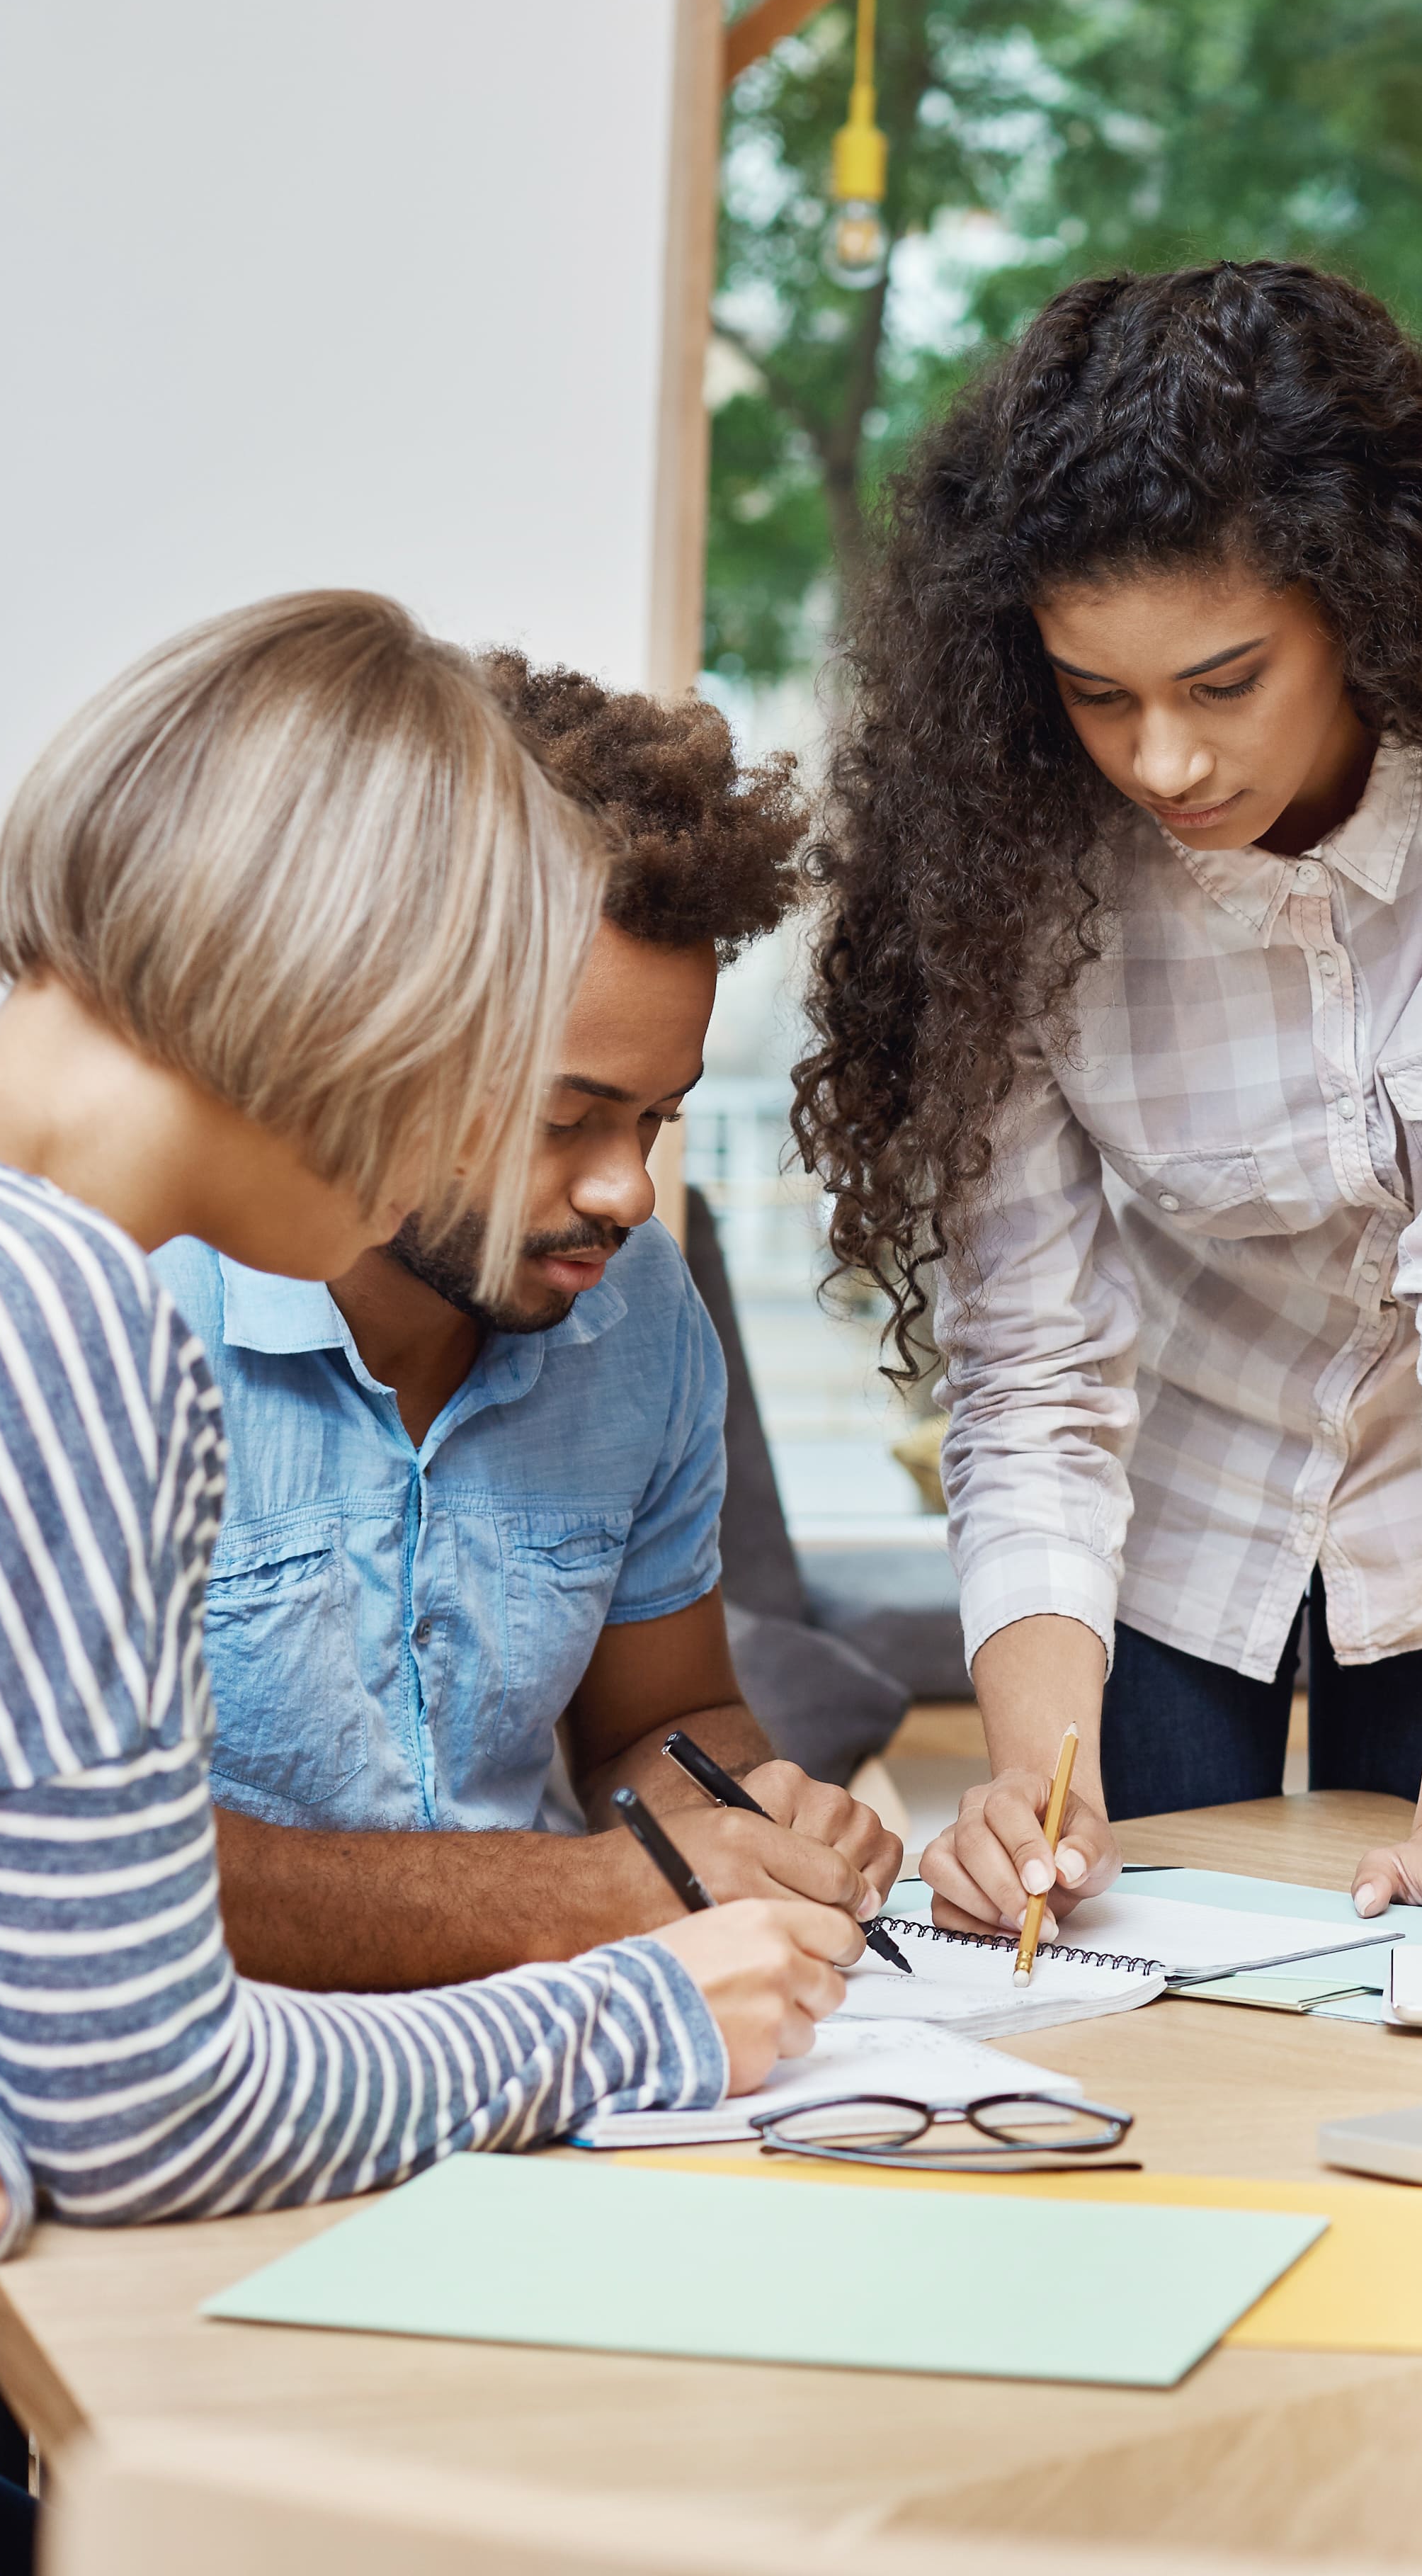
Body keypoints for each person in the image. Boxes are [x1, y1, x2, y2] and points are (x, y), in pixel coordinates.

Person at [0, 593, 856, 2568]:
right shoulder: (41, 1323)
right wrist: (646, 2011)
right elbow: (157, 2111)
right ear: (359, 990)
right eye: (508, 1070)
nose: (508, 1157)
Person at [795, 261, 1422, 1956]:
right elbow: (1032, 1360)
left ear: (1363, 601)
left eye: (1222, 682)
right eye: (1101, 697)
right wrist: (1035, 1794)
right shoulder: (1009, 832)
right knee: (1128, 1961)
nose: (1162, 762)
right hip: (1181, 1459)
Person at [154, 657, 898, 1990]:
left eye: (656, 1119)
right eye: (567, 1120)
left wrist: (748, 1820)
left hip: (572, 2063)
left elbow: (663, 1722)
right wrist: (603, 1893)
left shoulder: (641, 1310)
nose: (627, 1191)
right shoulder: (127, 1316)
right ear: (375, 1042)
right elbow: (106, 1872)